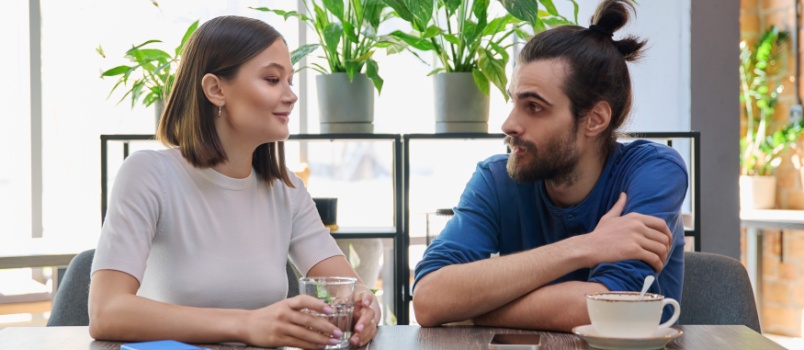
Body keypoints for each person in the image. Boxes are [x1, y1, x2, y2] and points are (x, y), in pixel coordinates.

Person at [88, 16, 379, 349]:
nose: (291, 95)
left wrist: (366, 307)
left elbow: (350, 288)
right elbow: (106, 311)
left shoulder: (288, 191)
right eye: (272, 79)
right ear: (216, 89)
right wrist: (247, 324)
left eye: (290, 80)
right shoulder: (148, 173)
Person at [412, 0, 687, 332]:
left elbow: (611, 310)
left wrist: (472, 311)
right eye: (514, 101)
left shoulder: (653, 171)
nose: (508, 124)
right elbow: (429, 300)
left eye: (534, 107)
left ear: (595, 119)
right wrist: (586, 247)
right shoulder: (496, 179)